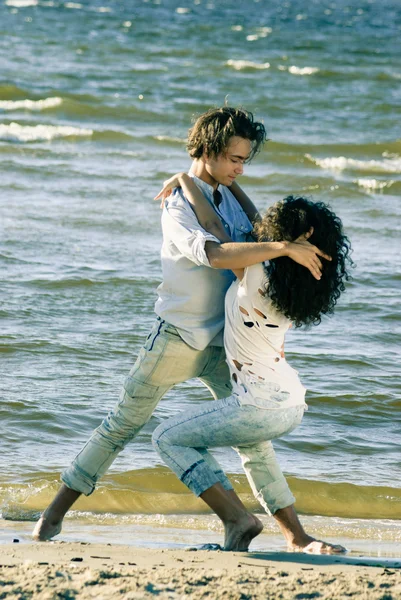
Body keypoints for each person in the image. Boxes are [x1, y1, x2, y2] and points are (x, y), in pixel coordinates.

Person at [33, 107, 336, 553]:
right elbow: (214, 254)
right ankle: (52, 518)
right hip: (177, 337)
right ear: (209, 150)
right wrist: (188, 183)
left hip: (224, 344)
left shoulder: (224, 193)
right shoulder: (177, 208)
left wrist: (194, 178)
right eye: (234, 158)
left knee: (252, 440)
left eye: (246, 160)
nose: (239, 167)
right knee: (121, 427)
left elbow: (254, 228)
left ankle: (296, 535)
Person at [152, 173, 353, 551]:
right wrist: (232, 189)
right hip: (290, 402)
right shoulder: (301, 280)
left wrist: (185, 179)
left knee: (165, 438)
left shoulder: (256, 270)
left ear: (286, 237)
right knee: (257, 451)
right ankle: (298, 537)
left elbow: (213, 228)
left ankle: (237, 518)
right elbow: (258, 223)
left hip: (259, 404)